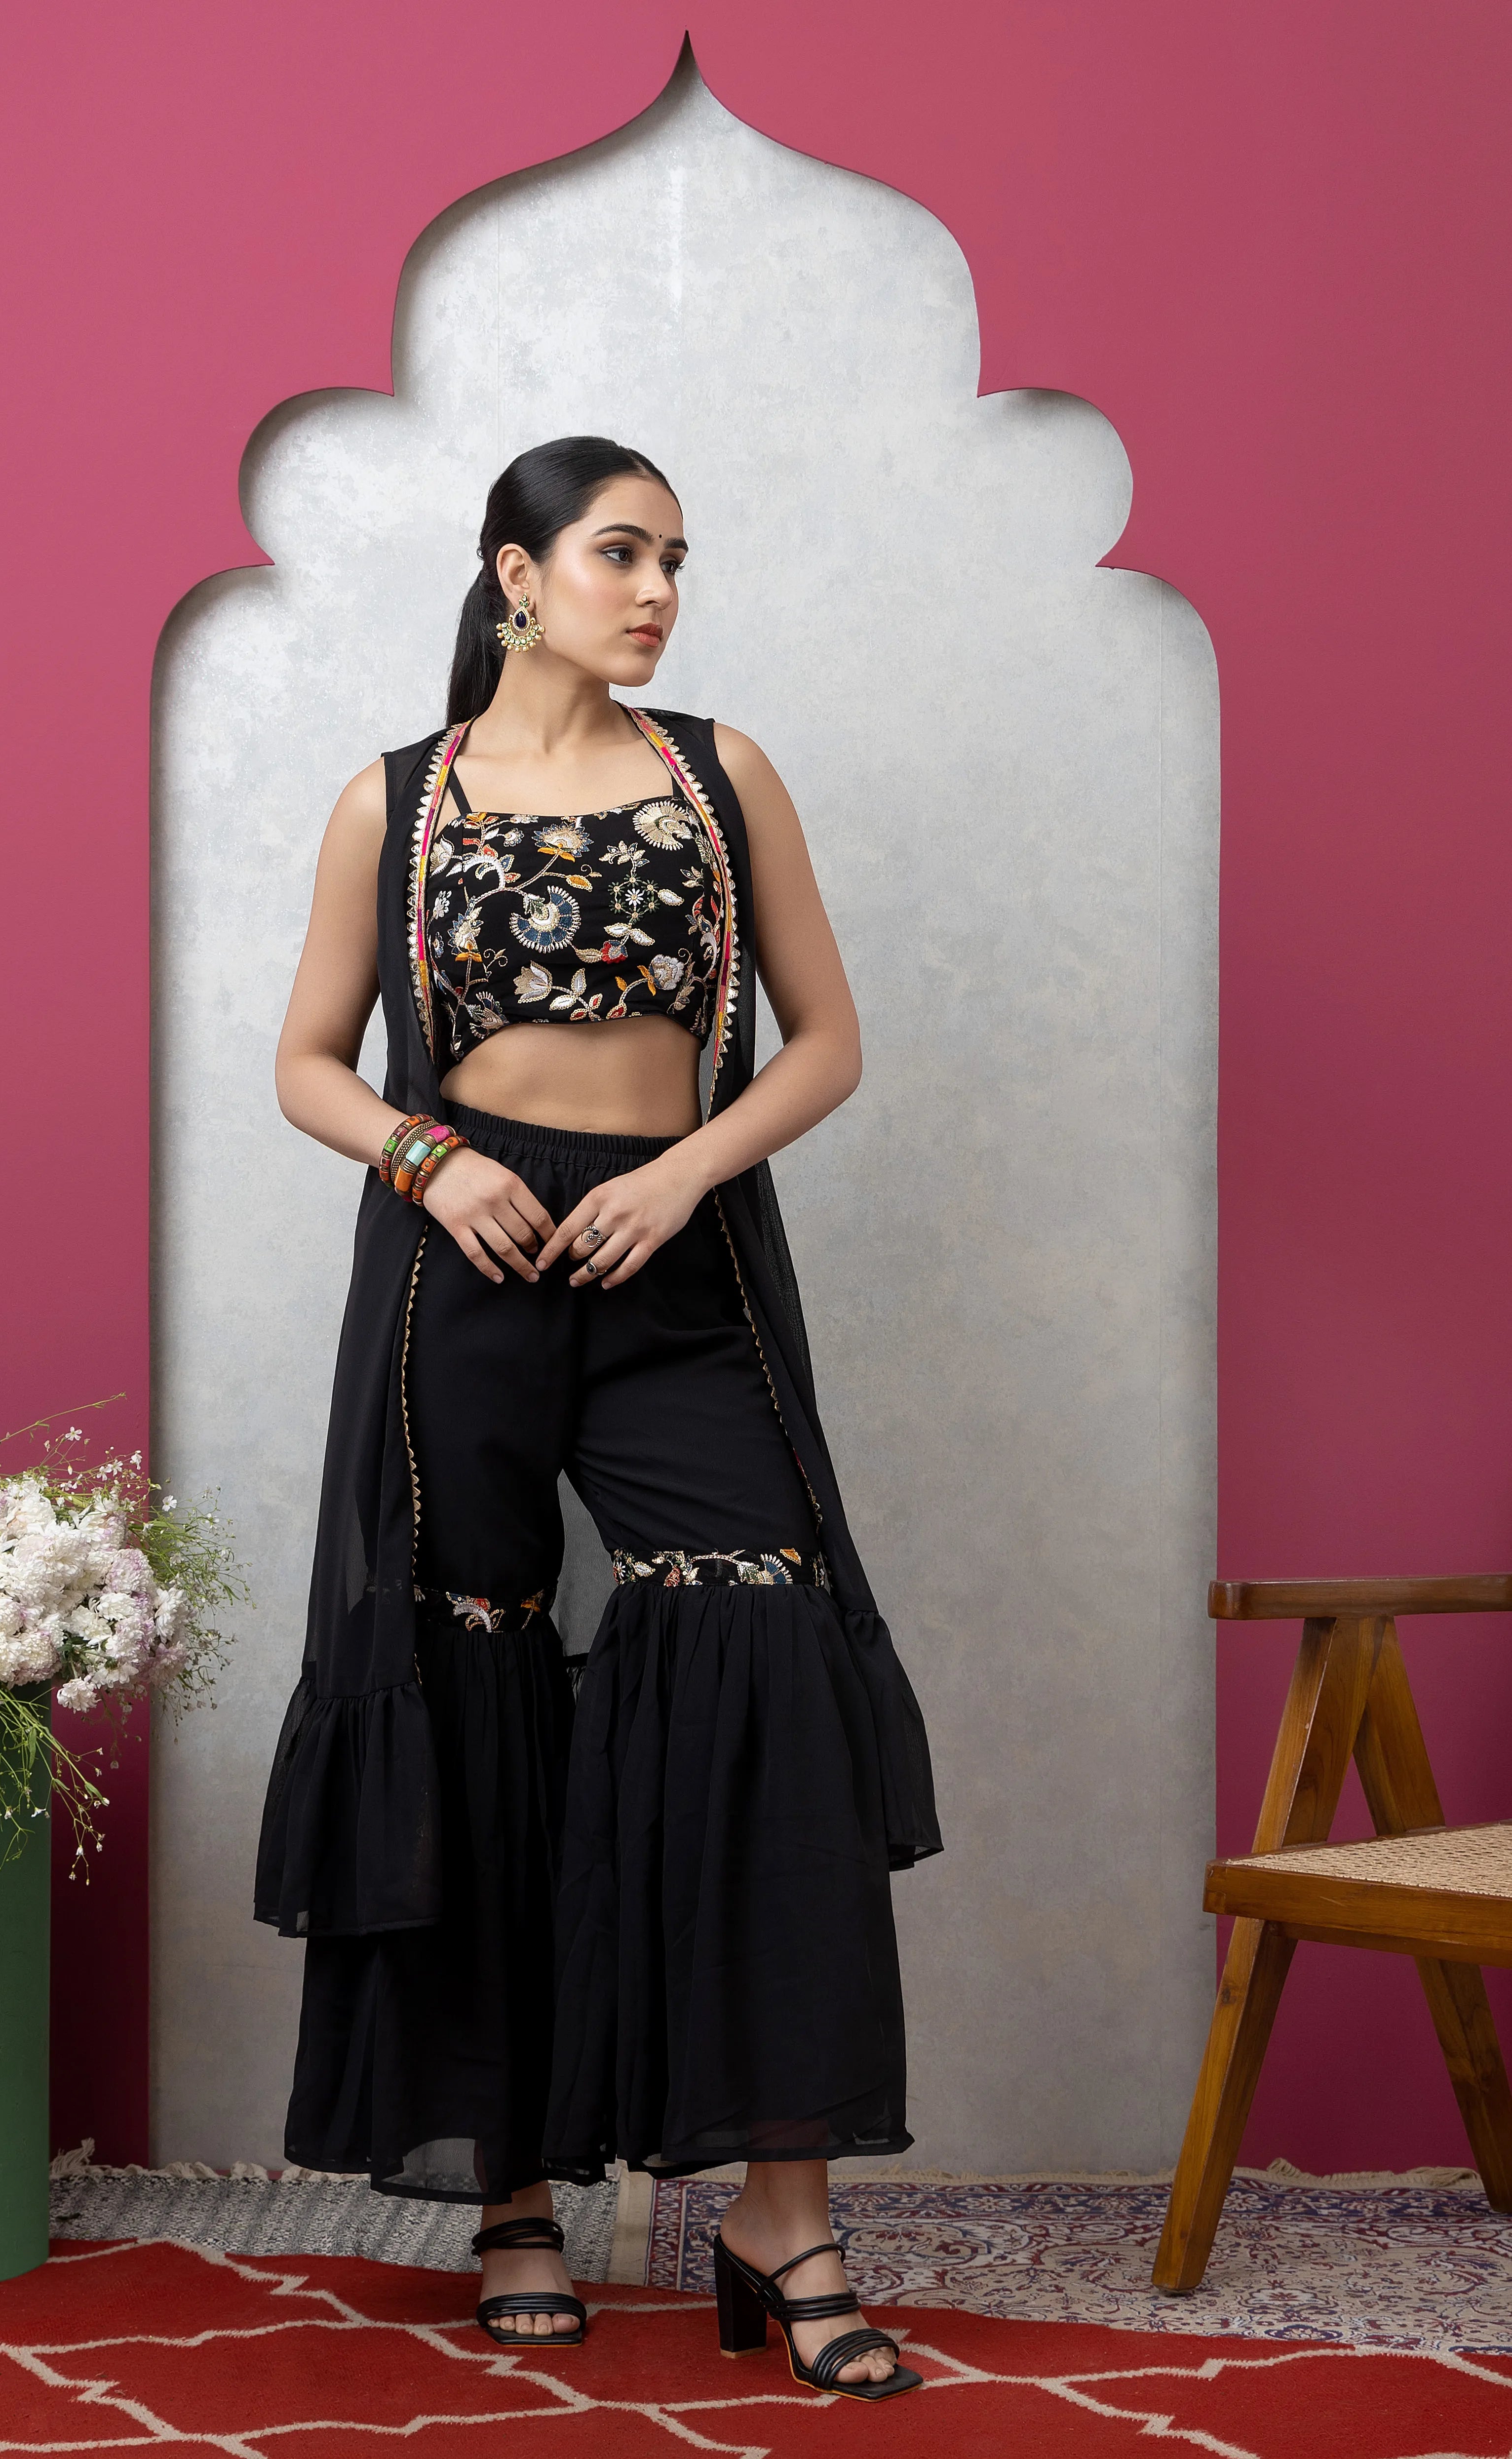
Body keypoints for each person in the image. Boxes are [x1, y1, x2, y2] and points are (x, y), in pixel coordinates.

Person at [255, 436, 941, 2402]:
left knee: (766, 1648)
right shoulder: (391, 800)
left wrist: (682, 1173)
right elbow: (305, 1061)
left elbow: (824, 1038)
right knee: (469, 1687)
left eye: (673, 560)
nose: (655, 590)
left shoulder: (718, 777)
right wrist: (420, 1158)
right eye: (619, 554)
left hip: (677, 1260)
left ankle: (778, 2208)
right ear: (513, 575)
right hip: (450, 1276)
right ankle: (511, 2189)